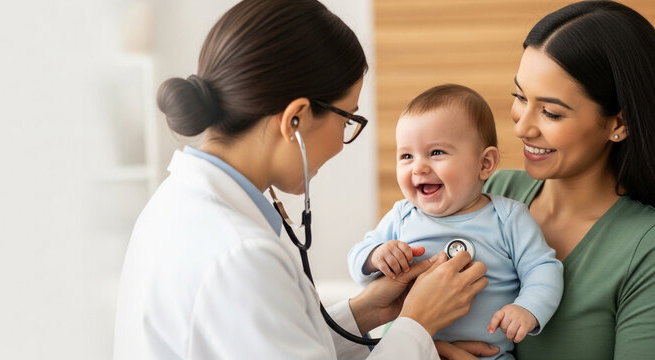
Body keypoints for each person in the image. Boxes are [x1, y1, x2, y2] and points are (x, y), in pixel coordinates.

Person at [112, 1, 491, 359]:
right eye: (347, 121)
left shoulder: (176, 205)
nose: (342, 144)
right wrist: (417, 325)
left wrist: (367, 311)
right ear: (296, 119)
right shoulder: (239, 255)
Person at [480, 1, 655, 359]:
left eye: (551, 112)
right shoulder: (490, 192)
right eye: (519, 96)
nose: (522, 127)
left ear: (618, 124)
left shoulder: (645, 249)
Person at [348, 84, 563, 359]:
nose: (419, 167)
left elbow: (542, 268)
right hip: (410, 350)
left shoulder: (508, 217)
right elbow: (357, 257)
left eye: (436, 152)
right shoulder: (402, 216)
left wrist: (528, 309)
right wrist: (375, 256)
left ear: (485, 163)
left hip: (489, 356)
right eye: (406, 156)